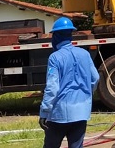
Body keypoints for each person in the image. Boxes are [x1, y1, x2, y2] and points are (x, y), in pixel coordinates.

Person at [40, 17, 100, 148]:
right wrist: (85, 94)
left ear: (55, 36)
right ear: (70, 35)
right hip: (81, 112)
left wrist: (44, 111)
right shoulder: (85, 54)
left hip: (59, 114)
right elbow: (95, 79)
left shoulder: (55, 57)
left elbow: (52, 88)